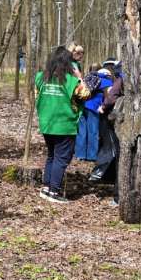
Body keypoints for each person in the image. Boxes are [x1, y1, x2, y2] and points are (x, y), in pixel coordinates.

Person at [35, 46, 90, 204]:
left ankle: (46, 187)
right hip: (64, 125)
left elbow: (37, 96)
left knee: (52, 155)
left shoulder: (41, 77)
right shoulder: (71, 80)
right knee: (61, 158)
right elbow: (85, 94)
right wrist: (79, 76)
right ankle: (54, 191)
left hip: (47, 124)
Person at [90, 60, 123, 184]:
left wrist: (103, 107)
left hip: (110, 117)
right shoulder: (115, 81)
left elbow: (111, 97)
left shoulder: (118, 80)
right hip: (108, 118)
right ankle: (101, 174)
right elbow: (111, 96)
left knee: (110, 147)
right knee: (110, 147)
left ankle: (104, 175)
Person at [75, 65, 108, 161]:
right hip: (94, 108)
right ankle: (91, 155)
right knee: (93, 132)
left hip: (82, 105)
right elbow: (108, 96)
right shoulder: (105, 81)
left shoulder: (86, 78)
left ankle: (80, 155)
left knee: (81, 131)